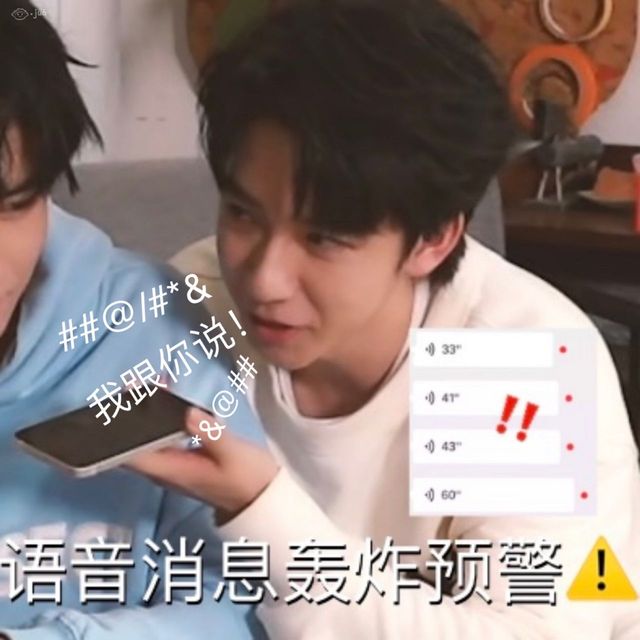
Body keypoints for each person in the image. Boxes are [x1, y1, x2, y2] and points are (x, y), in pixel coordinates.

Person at [131, 0, 640, 638]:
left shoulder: (512, 358)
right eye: (243, 214)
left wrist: (258, 507)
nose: (264, 279)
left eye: (324, 238)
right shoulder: (195, 303)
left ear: (434, 238)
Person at [0, 3, 269, 638]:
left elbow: (244, 600)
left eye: (12, 205)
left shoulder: (152, 330)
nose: (271, 281)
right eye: (246, 215)